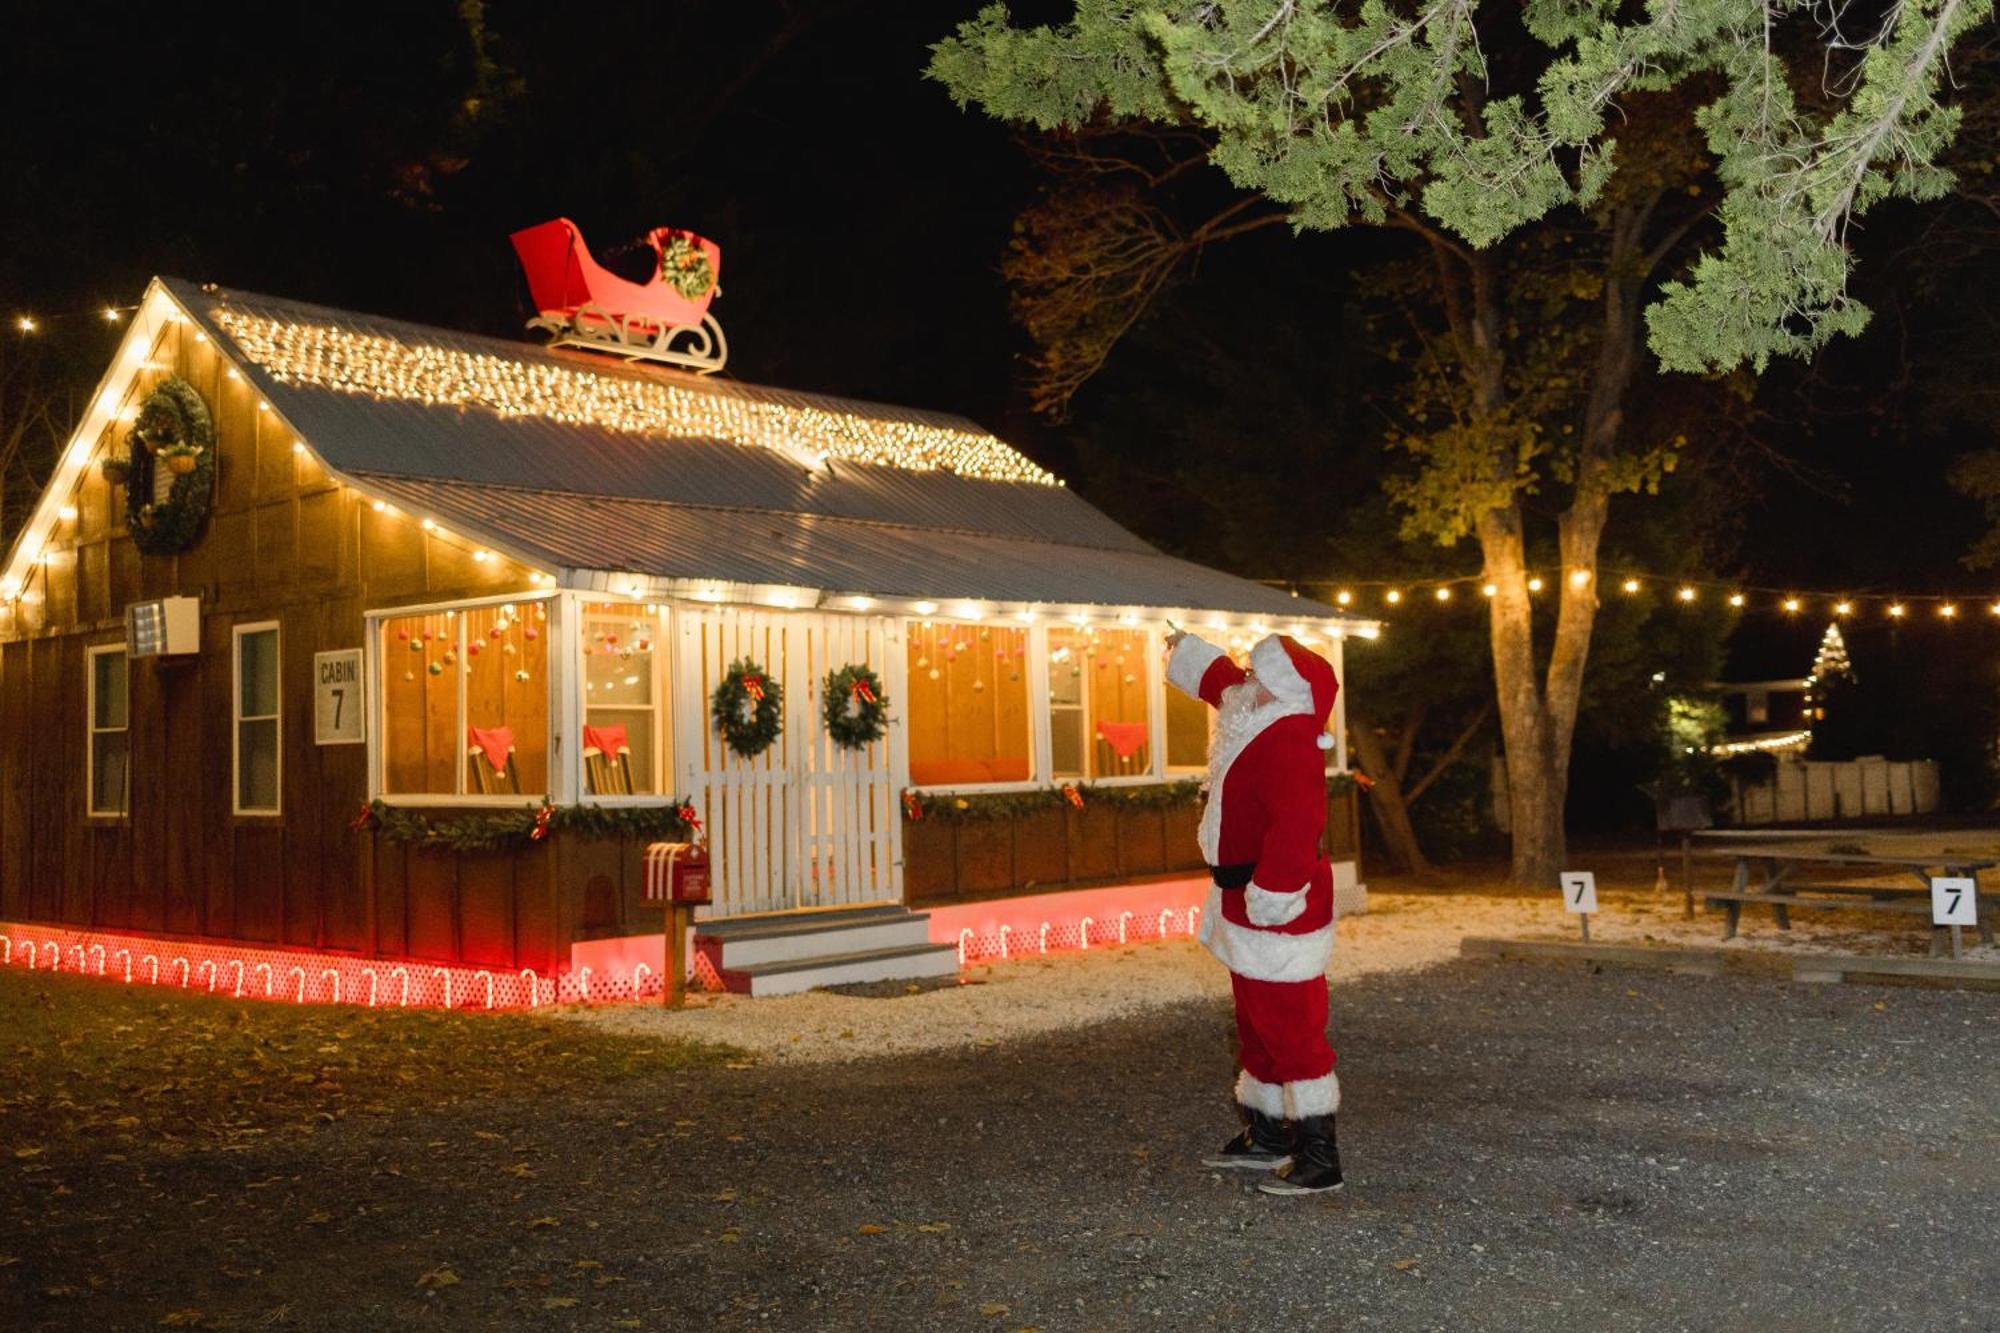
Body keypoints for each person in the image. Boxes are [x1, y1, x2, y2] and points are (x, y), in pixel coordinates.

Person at [1165, 627, 1343, 1195]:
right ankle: (1268, 1134)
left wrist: (1274, 894)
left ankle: (1319, 1156)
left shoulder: (1290, 735)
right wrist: (1185, 650)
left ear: (1286, 689)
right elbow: (1224, 684)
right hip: (1243, 901)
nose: (1248, 680)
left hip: (1277, 905)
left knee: (1292, 1028)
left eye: (1259, 674)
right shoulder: (1255, 714)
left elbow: (1298, 827)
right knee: (1256, 1023)